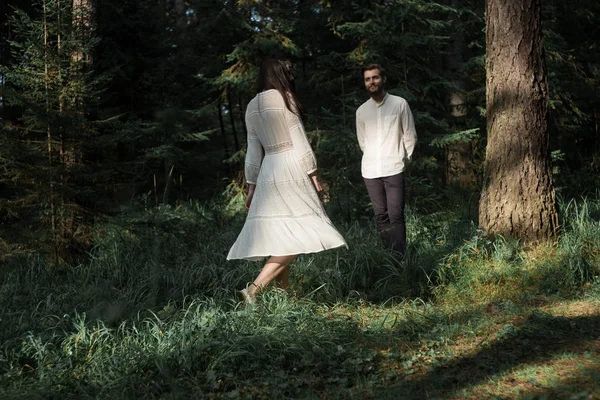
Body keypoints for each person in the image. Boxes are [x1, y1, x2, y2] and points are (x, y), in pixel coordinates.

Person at [227, 58, 347, 303]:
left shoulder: (251, 106)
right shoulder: (285, 98)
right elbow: (300, 140)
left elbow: (252, 149)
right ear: (279, 75)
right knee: (301, 231)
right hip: (291, 167)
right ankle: (253, 290)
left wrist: (251, 185)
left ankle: (284, 294)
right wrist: (313, 174)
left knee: (281, 232)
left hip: (268, 170)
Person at [355, 64, 417, 258]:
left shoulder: (400, 104)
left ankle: (400, 259)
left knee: (396, 215)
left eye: (375, 78)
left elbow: (410, 136)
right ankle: (389, 258)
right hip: (371, 171)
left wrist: (402, 161)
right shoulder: (361, 111)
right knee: (380, 216)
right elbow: (363, 143)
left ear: (383, 79)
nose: (371, 82)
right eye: (367, 79)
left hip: (394, 167)